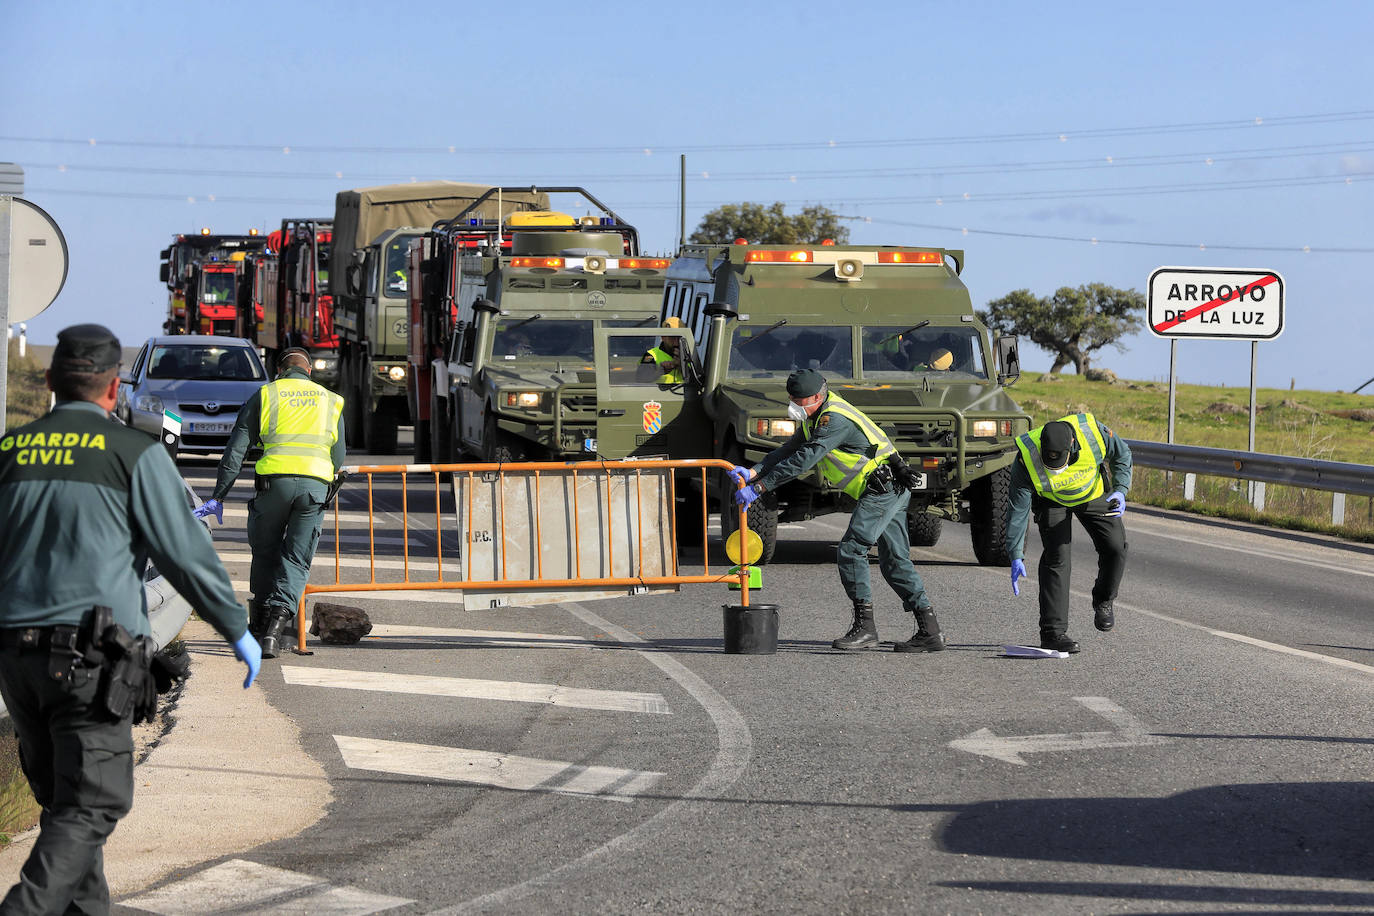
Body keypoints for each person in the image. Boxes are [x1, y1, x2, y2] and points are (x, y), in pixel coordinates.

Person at [0, 323, 260, 915]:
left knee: (63, 802)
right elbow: (185, 552)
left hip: (16, 658)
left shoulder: (9, 454)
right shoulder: (133, 454)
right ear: (115, 389)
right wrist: (236, 627)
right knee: (94, 804)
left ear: (48, 383)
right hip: (88, 658)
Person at [730, 368, 945, 653]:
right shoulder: (816, 415)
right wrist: (754, 471)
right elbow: (787, 450)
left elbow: (804, 460)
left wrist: (759, 489)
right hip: (888, 488)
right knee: (895, 561)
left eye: (799, 400)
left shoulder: (834, 420)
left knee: (851, 549)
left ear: (818, 396)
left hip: (881, 489)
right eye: (791, 398)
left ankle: (865, 628)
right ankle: (930, 631)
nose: (793, 405)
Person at [197, 347, 346, 659]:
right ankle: (277, 630)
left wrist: (218, 496)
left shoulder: (266, 394)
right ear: (309, 371)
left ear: (280, 370)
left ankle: (259, 626)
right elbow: (338, 455)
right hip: (313, 488)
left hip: (272, 485)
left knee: (265, 552)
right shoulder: (330, 399)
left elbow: (236, 450)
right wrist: (325, 485)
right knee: (296, 558)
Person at [1006, 412, 1132, 653]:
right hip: (1052, 502)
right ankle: (1053, 633)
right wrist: (1014, 552)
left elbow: (1122, 453)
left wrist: (1121, 489)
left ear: (1072, 444)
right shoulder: (1026, 456)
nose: (1054, 468)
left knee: (1116, 547)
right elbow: (1018, 509)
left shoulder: (1094, 432)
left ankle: (1104, 600)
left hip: (1092, 495)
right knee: (1057, 558)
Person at [640, 317, 686, 384]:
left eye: (679, 337)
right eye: (672, 337)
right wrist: (660, 371)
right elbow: (641, 378)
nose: (676, 342)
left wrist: (682, 366)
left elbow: (699, 379)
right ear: (663, 337)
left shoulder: (689, 354)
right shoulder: (651, 355)